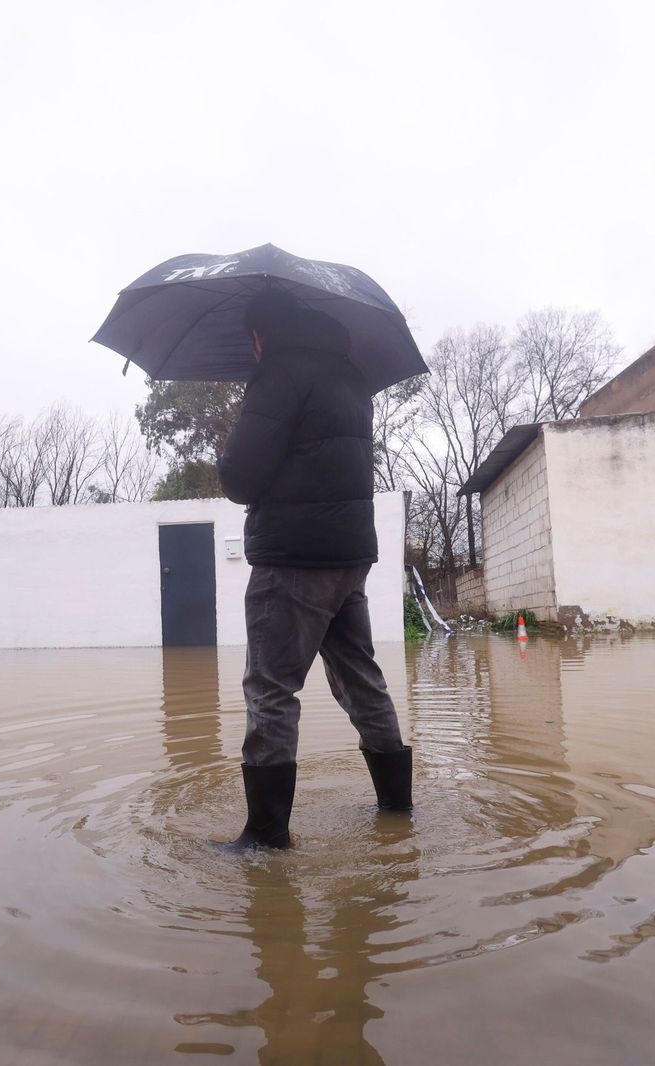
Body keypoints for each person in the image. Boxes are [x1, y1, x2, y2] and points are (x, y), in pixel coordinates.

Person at [216, 289, 413, 850]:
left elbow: (240, 477)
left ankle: (265, 837)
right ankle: (397, 808)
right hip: (349, 555)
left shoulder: (279, 371)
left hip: (292, 558)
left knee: (271, 689)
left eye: (250, 339)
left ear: (261, 334)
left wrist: (231, 453)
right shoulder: (349, 376)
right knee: (361, 677)